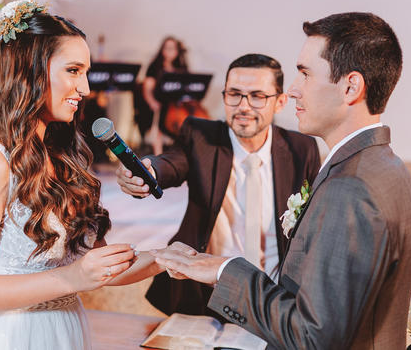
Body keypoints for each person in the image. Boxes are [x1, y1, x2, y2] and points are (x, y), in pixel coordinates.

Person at [0, 0, 173, 349]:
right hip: (10, 336)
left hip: (65, 331)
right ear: (29, 71)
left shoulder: (63, 156)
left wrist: (166, 258)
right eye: (73, 70)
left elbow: (94, 267)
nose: (86, 89)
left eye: (85, 73)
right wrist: (71, 278)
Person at [152, 12, 411, 349]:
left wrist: (226, 271)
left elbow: (313, 337)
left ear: (351, 87)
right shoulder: (386, 165)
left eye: (305, 73)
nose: (292, 90)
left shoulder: (350, 188)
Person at [116, 53, 322, 320]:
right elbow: (170, 163)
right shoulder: (201, 136)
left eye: (257, 96)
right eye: (234, 94)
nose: (243, 106)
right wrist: (148, 171)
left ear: (280, 102)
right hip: (207, 296)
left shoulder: (301, 148)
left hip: (276, 297)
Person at [137, 37, 189, 155]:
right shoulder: (155, 66)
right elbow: (147, 89)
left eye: (173, 48)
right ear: (162, 50)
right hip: (158, 104)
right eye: (167, 48)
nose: (170, 51)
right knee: (160, 122)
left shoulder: (180, 66)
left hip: (174, 106)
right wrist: (152, 102)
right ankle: (158, 155)